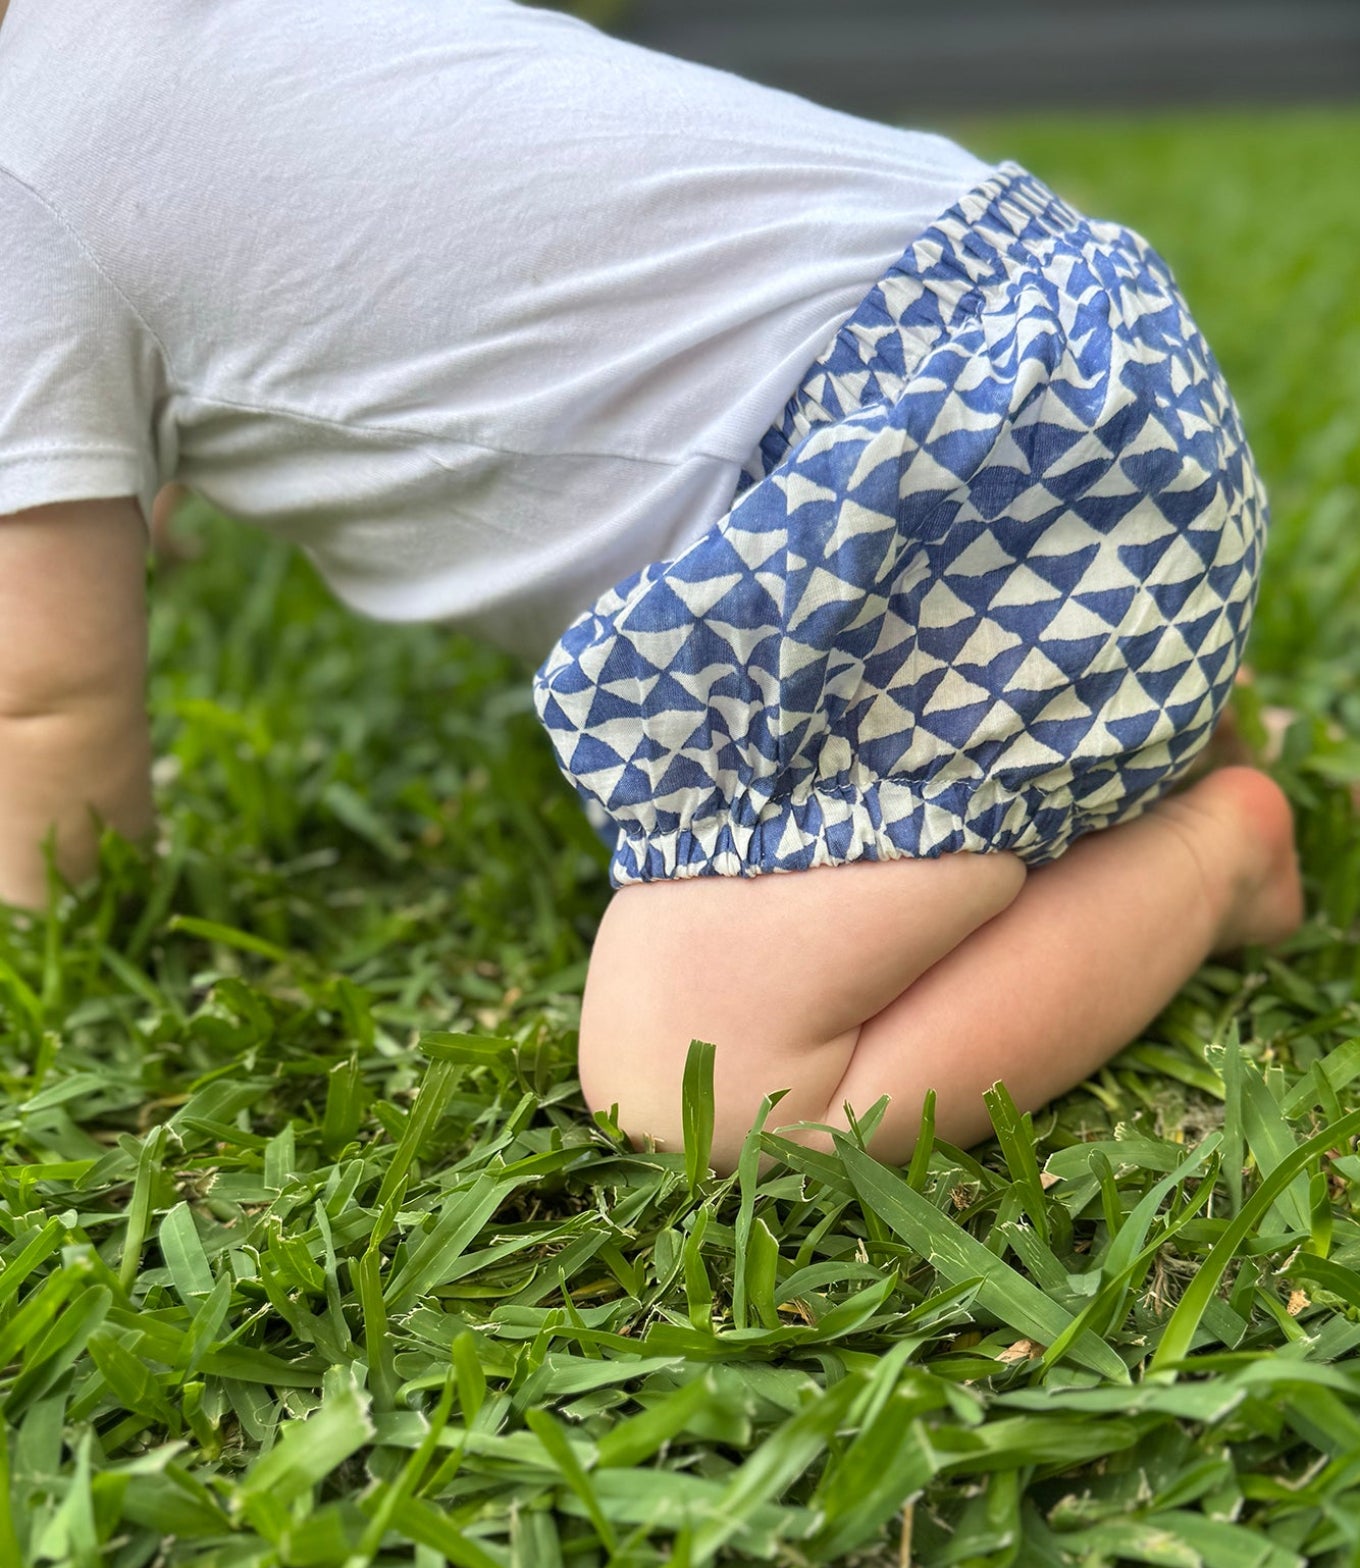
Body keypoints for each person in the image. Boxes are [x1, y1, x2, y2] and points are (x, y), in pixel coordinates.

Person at [0, 0, 1301, 1167]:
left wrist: (54, 929)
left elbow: (44, 699)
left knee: (699, 1083)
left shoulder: (26, 182)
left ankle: (1213, 857)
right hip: (1074, 352)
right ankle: (1135, 709)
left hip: (924, 491)